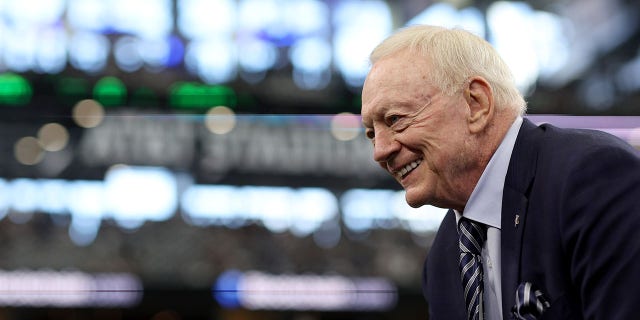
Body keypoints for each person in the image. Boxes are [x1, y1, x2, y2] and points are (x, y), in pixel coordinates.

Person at [360, 24, 640, 320]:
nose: (380, 151)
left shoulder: (592, 179)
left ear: (476, 104)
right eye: (370, 134)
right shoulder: (443, 259)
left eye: (395, 119)